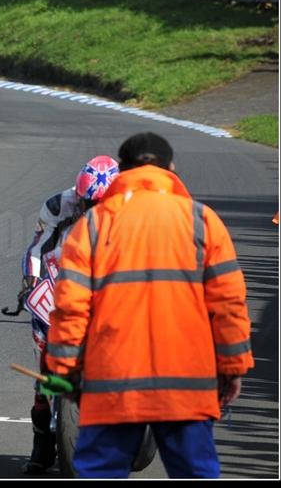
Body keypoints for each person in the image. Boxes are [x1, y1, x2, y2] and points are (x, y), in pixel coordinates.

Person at [46, 132, 254, 478]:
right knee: (196, 473)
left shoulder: (93, 226)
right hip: (188, 385)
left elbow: (70, 307)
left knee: (99, 472)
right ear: (170, 169)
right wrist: (233, 366)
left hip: (113, 383)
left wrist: (63, 369)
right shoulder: (203, 222)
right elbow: (230, 303)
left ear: (122, 171)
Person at [18, 155, 120, 474]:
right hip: (64, 281)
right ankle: (42, 440)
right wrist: (31, 283)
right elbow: (37, 248)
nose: (93, 211)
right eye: (88, 203)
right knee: (44, 366)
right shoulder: (58, 205)